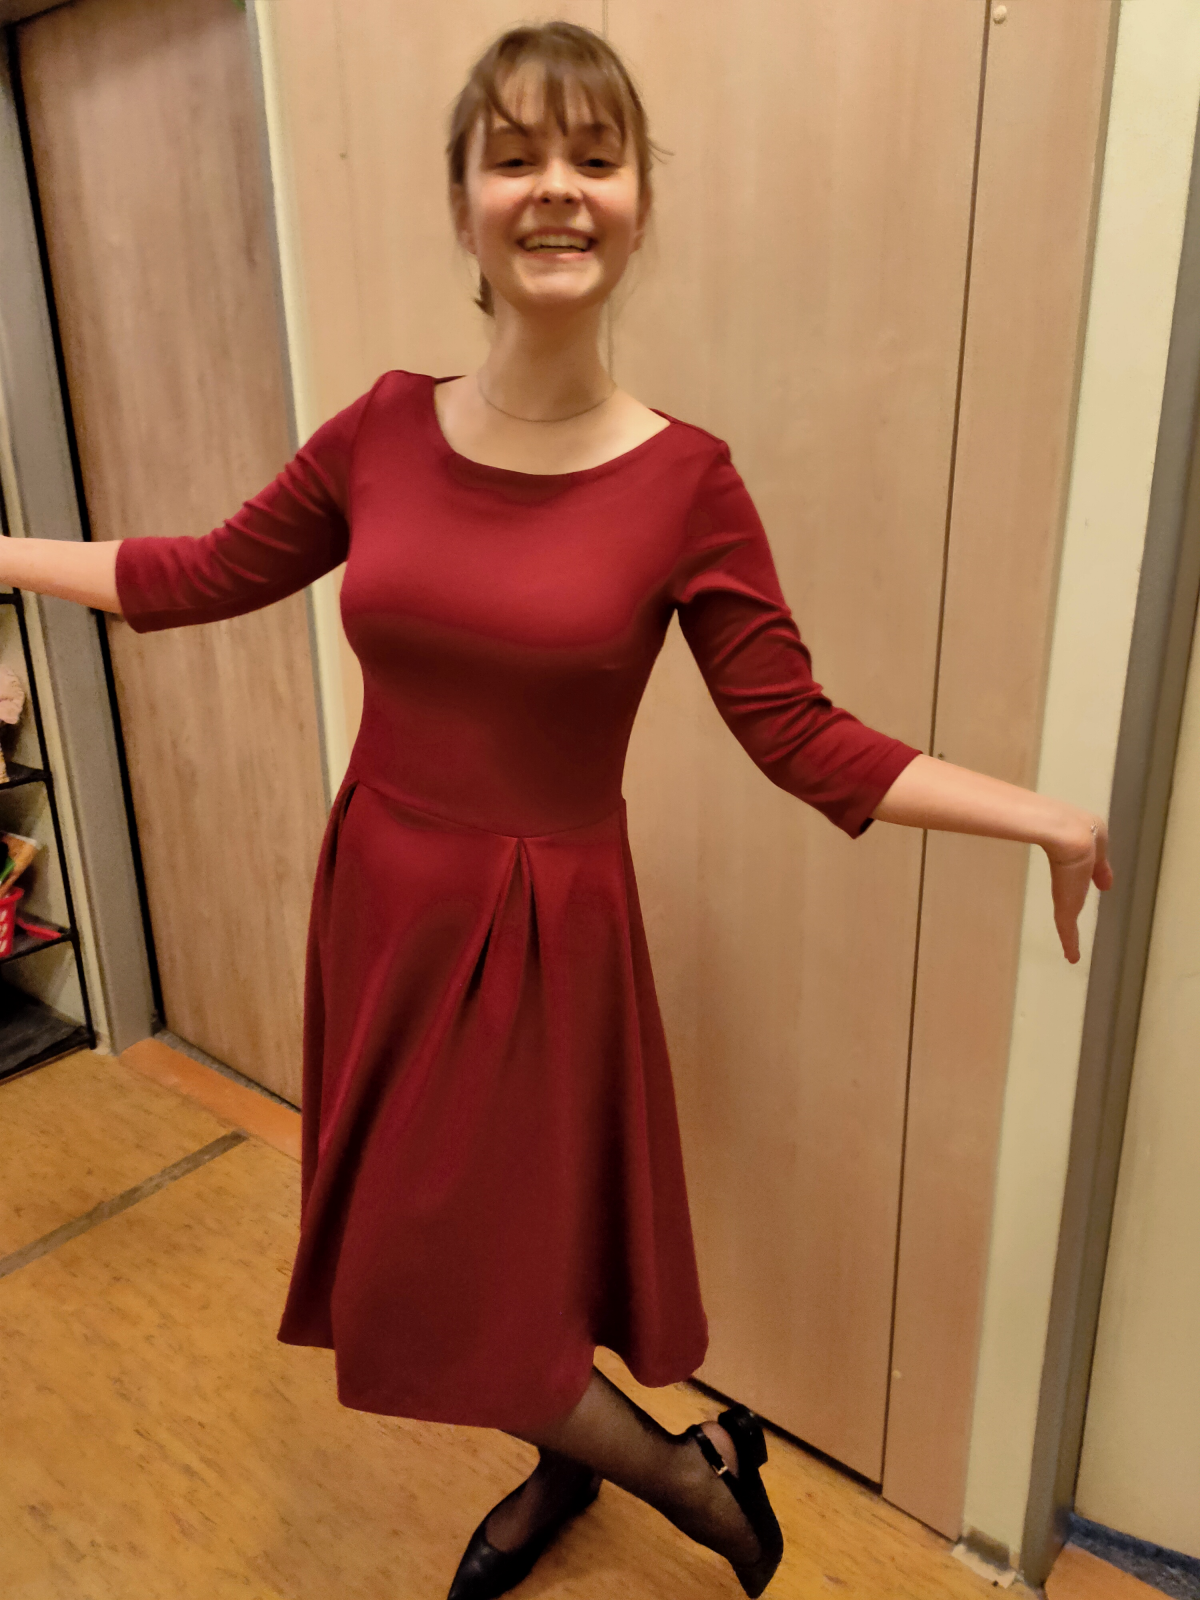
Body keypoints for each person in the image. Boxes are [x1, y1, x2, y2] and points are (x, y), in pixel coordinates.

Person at [3, 21, 1113, 1600]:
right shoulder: (380, 428)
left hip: (543, 933)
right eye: (514, 156)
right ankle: (586, 1462)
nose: (556, 189)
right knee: (440, 1259)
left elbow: (800, 737)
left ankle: (682, 1474)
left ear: (640, 201)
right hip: (382, 898)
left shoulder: (688, 483)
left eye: (595, 157)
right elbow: (189, 576)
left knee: (483, 1273)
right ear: (461, 202)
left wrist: (1047, 818)